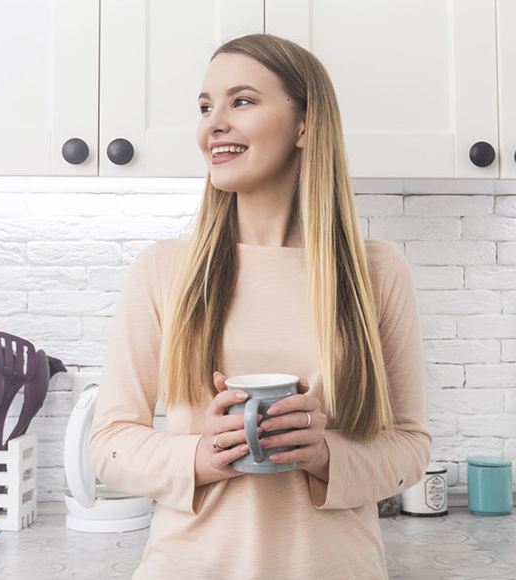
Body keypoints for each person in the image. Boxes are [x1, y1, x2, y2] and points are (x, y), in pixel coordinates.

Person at [88, 33, 432, 579]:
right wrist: (199, 455)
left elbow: (410, 447)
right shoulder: (162, 271)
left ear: (305, 124)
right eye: (205, 107)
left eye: (241, 101)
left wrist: (325, 454)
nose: (213, 123)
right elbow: (107, 445)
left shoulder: (377, 273)